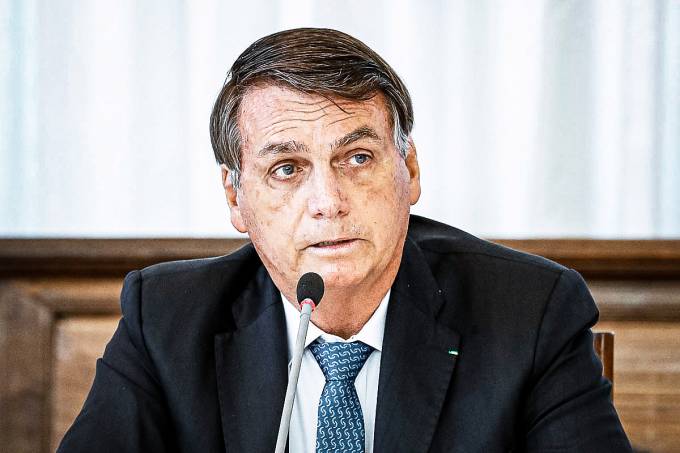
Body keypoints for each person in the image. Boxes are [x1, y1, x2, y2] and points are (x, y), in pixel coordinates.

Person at [58, 28, 632, 452]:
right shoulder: (166, 321)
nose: (328, 201)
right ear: (235, 197)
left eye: (357, 158)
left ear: (409, 170)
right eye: (286, 168)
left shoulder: (530, 312)